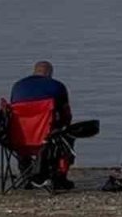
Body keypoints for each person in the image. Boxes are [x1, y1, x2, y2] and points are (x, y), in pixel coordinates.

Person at [9, 60, 74, 190]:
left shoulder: (17, 86)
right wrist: (64, 125)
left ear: (34, 71)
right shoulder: (57, 86)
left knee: (23, 128)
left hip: (18, 139)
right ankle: (59, 178)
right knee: (68, 134)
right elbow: (66, 114)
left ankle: (26, 175)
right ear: (50, 73)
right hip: (46, 139)